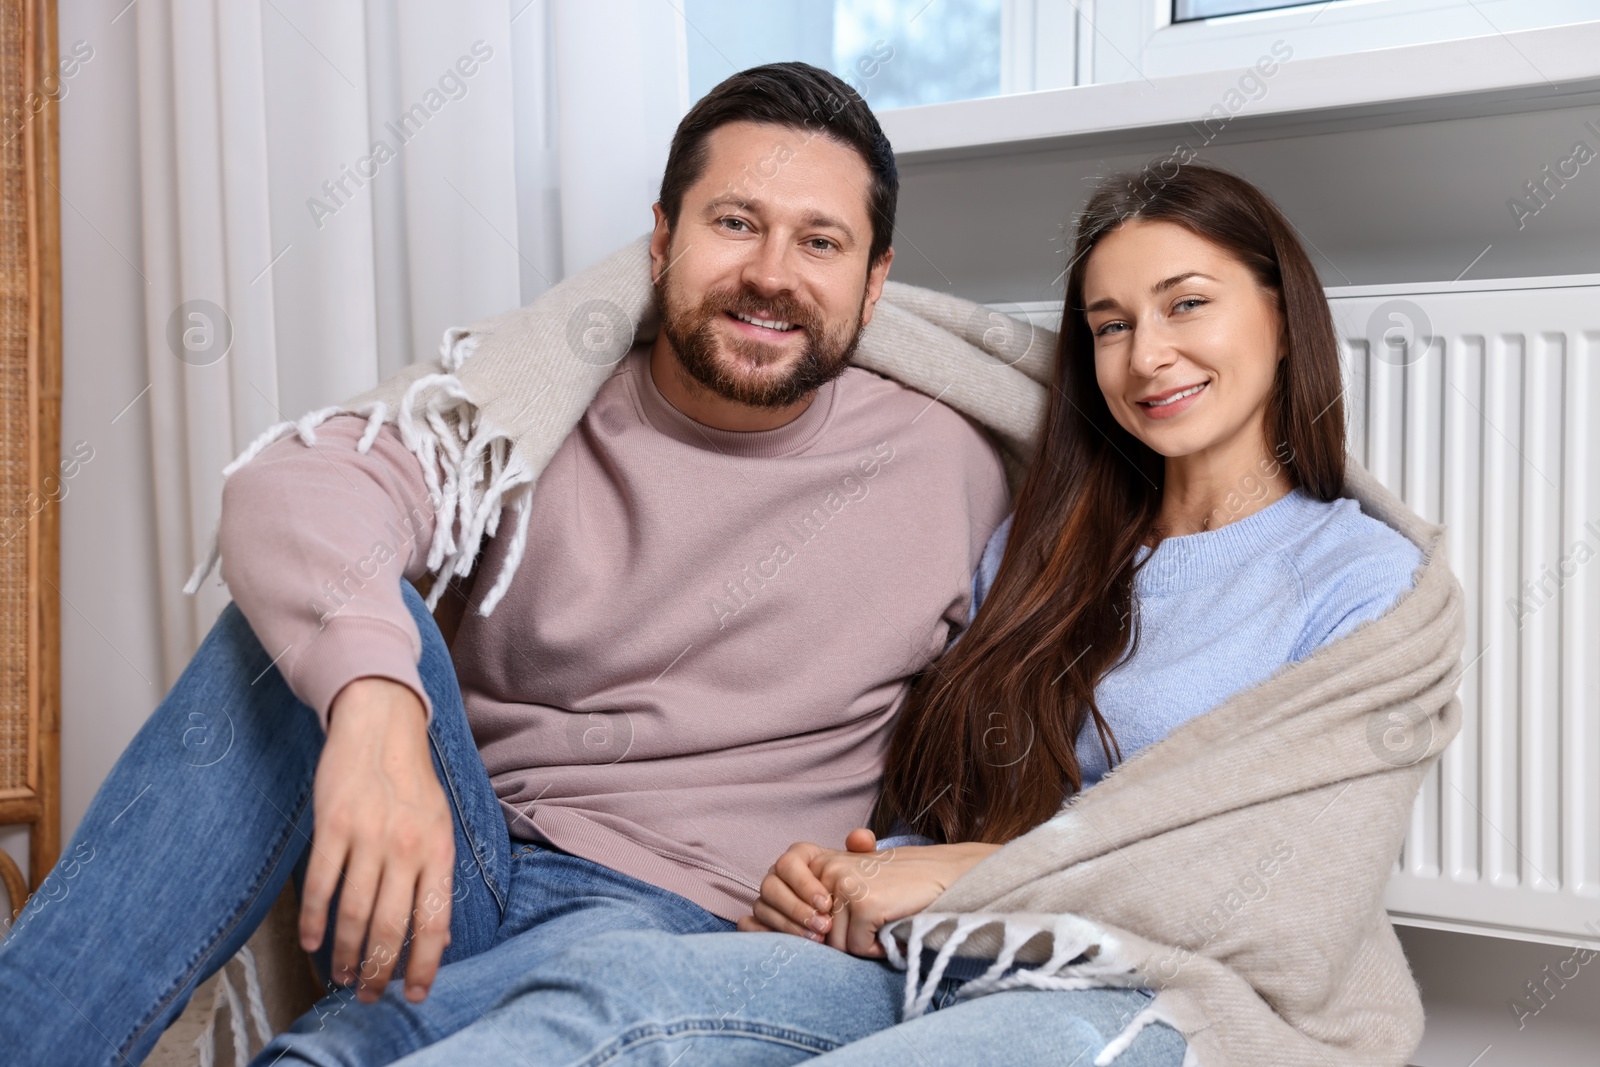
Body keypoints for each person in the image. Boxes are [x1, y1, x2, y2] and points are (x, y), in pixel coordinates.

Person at [0, 63, 1010, 1066]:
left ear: (874, 281)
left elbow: (1054, 747)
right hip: (463, 858)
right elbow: (295, 482)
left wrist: (900, 869)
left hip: (692, 922)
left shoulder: (954, 464)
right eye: (735, 222)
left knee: (359, 1045)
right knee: (287, 629)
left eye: (819, 241)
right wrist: (376, 704)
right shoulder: (530, 403)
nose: (772, 273)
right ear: (662, 239)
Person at [378, 164, 1426, 1066]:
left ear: (1281, 316)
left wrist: (962, 873)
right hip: (951, 954)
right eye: (1110, 326)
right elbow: (947, 789)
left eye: (1186, 303)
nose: (1146, 354)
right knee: (625, 996)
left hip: (1177, 993)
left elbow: (1270, 869)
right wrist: (842, 872)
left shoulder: (1358, 578)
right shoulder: (1041, 545)